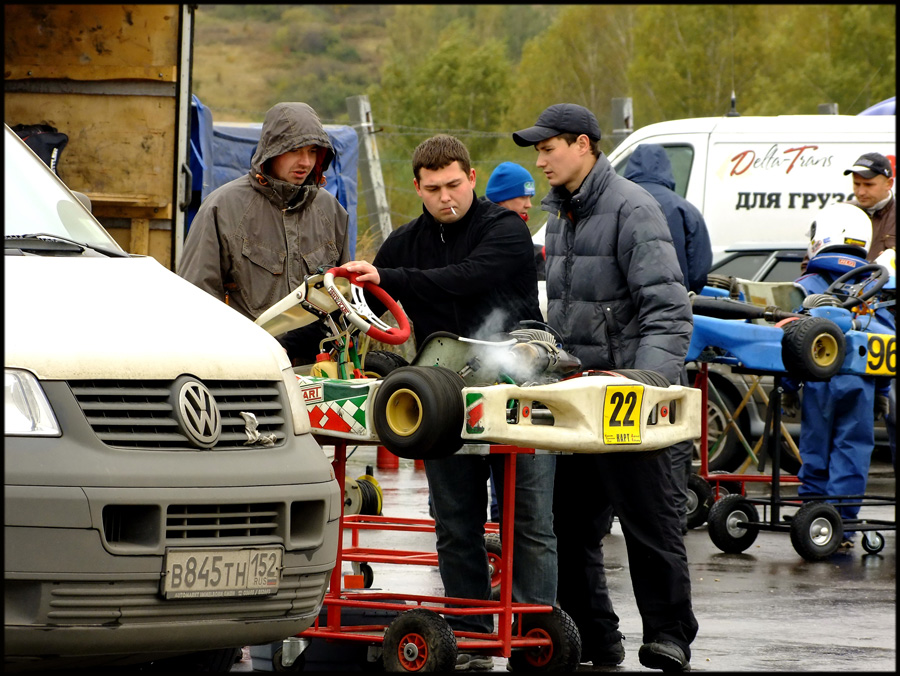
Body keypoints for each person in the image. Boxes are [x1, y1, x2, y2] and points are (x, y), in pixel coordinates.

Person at [342, 134, 556, 671]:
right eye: (434, 188)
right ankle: (469, 635)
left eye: (454, 185)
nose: (446, 197)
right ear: (417, 188)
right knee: (456, 524)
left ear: (472, 178)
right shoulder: (404, 244)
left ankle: (535, 636)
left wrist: (388, 277)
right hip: (444, 395)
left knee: (529, 523)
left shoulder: (504, 228)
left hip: (517, 387)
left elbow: (467, 278)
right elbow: (362, 307)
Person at [513, 103, 698, 672]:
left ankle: (669, 637)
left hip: (628, 401)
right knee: (568, 527)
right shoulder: (562, 216)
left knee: (651, 527)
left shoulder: (633, 209)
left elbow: (668, 313)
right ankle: (595, 637)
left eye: (548, 149)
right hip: (578, 401)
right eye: (538, 151)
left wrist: (644, 385)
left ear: (583, 145)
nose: (541, 161)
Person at [178, 102, 351, 362]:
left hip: (319, 369)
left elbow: (343, 297)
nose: (305, 162)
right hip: (248, 366)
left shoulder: (331, 211)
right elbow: (197, 300)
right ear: (272, 151)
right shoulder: (222, 208)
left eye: (313, 151)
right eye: (294, 150)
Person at [783, 203, 895, 548]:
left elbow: (788, 337)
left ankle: (812, 517)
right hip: (860, 383)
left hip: (817, 379)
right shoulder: (872, 289)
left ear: (821, 238)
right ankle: (841, 525)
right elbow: (885, 343)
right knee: (853, 452)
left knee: (815, 449)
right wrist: (882, 391)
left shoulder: (805, 287)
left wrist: (788, 386)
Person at [624, 144, 713, 535]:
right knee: (672, 425)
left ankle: (616, 511)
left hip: (621, 338)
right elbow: (699, 271)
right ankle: (671, 512)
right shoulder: (684, 209)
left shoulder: (620, 205)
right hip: (669, 336)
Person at [484, 160, 539, 522]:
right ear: (503, 199)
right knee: (501, 441)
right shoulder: (500, 235)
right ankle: (499, 518)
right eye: (523, 196)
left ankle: (499, 516)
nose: (529, 204)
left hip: (514, 346)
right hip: (501, 352)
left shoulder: (512, 233)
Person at [801, 151, 895, 272]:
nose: (861, 192)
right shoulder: (838, 213)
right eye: (856, 184)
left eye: (869, 185)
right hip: (839, 285)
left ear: (889, 184)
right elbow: (808, 266)